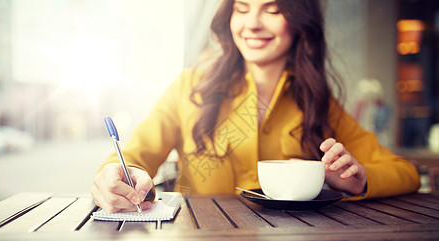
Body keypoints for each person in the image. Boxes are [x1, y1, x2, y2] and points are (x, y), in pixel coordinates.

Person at [92, 0, 420, 213]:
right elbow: (132, 158)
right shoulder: (190, 88)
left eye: (273, 9)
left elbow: (405, 173)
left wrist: (357, 181)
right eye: (242, 7)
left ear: (299, 20)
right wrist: (117, 175)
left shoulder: (318, 101)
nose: (252, 24)